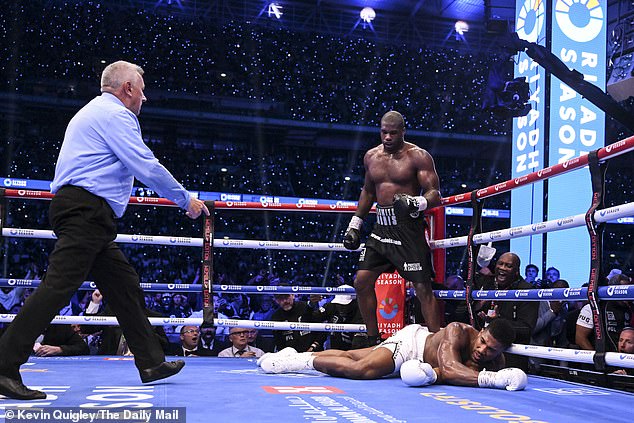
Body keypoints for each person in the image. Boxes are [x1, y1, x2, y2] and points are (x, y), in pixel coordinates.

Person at [0, 60, 209, 400]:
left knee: (123, 284)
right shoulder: (115, 114)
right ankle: (4, 364)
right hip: (85, 211)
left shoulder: (96, 111)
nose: (145, 98)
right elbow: (145, 164)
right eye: (142, 89)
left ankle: (151, 362)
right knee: (56, 288)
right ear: (127, 88)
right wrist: (185, 200)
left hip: (88, 213)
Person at [342, 111, 442, 344]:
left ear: (403, 131)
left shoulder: (418, 156)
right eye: (383, 132)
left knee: (422, 287)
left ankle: (437, 343)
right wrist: (355, 224)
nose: (387, 137)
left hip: (409, 229)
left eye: (393, 133)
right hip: (380, 229)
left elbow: (435, 194)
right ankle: (373, 338)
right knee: (361, 282)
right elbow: (368, 191)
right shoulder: (371, 156)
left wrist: (416, 202)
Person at [259, 319, 527, 391]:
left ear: (500, 352)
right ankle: (296, 362)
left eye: (491, 350)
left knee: (351, 356)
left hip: (419, 362)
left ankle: (295, 352)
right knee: (362, 369)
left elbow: (446, 373)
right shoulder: (458, 331)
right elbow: (449, 368)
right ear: (480, 331)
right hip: (412, 344)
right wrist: (492, 380)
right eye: (482, 342)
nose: (482, 350)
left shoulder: (496, 361)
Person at [473, 252, 538, 370]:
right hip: (480, 355)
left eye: (508, 266)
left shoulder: (527, 290)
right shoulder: (488, 284)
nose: (503, 268)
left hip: (510, 359)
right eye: (500, 264)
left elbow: (526, 329)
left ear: (517, 271)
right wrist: (475, 307)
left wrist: (498, 322)